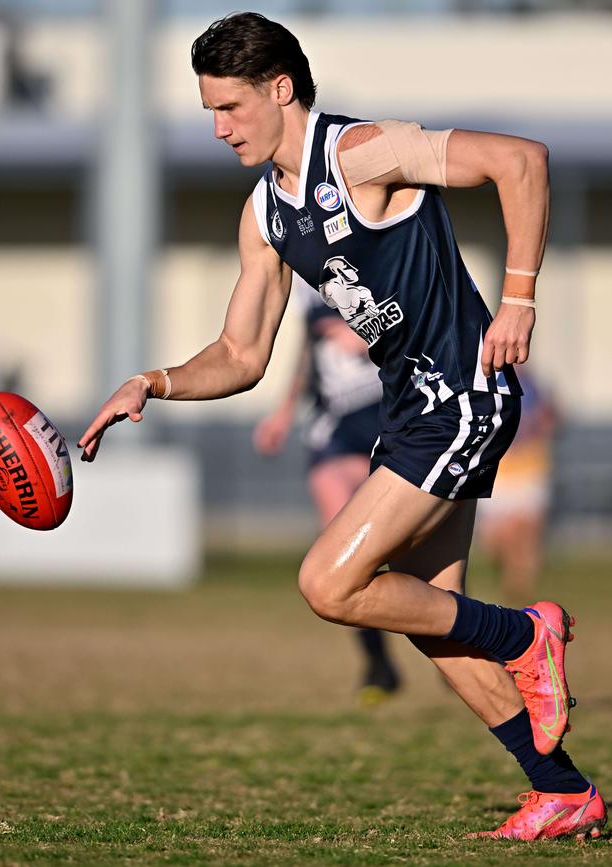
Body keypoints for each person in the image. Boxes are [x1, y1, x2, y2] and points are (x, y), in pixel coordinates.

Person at [79, 13, 606, 840]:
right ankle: (564, 790)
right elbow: (242, 352)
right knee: (430, 614)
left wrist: (518, 299)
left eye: (230, 108)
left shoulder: (361, 152)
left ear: (279, 89)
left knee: (329, 583)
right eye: (210, 110)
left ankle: (527, 631)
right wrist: (153, 382)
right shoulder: (265, 215)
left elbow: (521, 162)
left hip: (463, 397)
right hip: (412, 413)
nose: (218, 128)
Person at [253, 275, 401, 704]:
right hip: (331, 425)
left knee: (404, 552)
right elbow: (309, 352)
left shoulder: (372, 250)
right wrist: (283, 413)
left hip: (382, 414)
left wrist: (372, 340)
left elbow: (418, 322)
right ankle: (377, 662)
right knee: (345, 555)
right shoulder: (301, 273)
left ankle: (457, 647)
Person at [478, 366, 558, 603]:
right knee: (495, 537)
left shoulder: (534, 384)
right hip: (499, 466)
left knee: (526, 533)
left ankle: (520, 588)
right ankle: (513, 577)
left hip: (529, 464)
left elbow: (551, 417)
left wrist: (538, 425)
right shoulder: (485, 380)